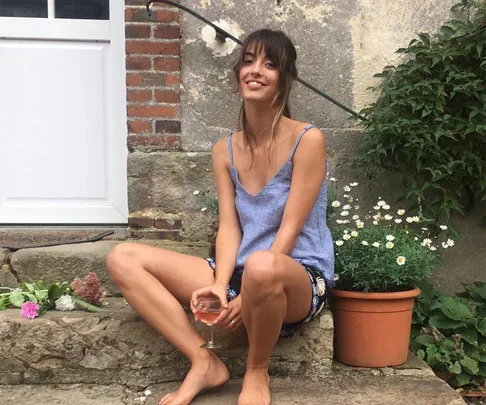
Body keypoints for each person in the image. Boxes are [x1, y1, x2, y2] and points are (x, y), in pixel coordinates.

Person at [106, 28, 334, 405]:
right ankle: (203, 360)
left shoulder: (307, 140)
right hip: (246, 272)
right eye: (247, 61)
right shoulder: (224, 150)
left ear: (286, 80)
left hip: (298, 276)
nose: (255, 70)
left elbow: (290, 230)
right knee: (122, 257)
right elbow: (229, 227)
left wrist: (247, 293)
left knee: (262, 266)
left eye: (269, 64)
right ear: (237, 75)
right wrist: (221, 284)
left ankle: (257, 369)